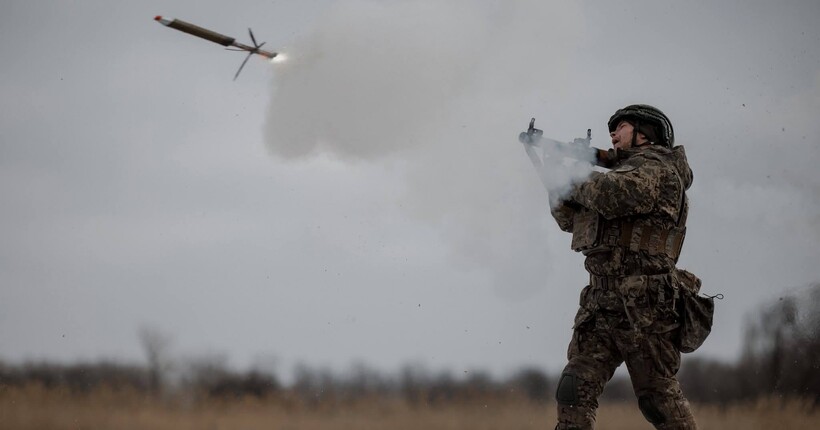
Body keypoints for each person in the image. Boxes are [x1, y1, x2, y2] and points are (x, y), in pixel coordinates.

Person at [549, 105, 700, 429]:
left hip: (645, 306)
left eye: (622, 127)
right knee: (573, 389)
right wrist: (557, 184)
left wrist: (574, 175)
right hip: (601, 304)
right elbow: (570, 220)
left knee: (658, 400)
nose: (613, 134)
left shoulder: (659, 172)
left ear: (645, 133)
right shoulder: (618, 175)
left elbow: (611, 195)